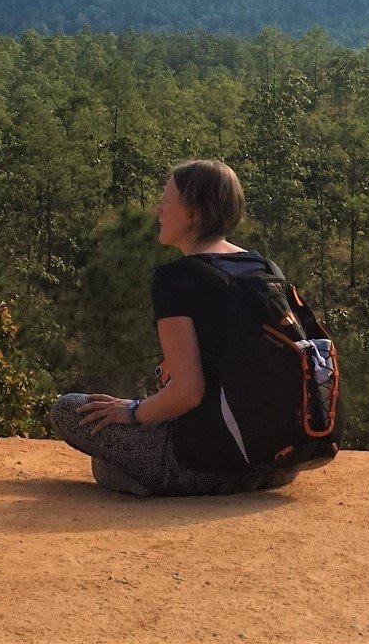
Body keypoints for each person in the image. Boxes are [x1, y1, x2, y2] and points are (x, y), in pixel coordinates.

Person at [49, 159, 300, 497]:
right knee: (116, 443)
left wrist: (133, 411)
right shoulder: (266, 268)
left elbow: (188, 392)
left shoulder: (177, 278)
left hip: (209, 466)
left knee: (69, 410)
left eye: (167, 201)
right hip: (279, 466)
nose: (159, 210)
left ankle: (151, 477)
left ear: (193, 213)